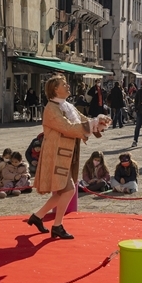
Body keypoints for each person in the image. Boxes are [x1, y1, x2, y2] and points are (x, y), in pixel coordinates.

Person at [28, 75, 110, 240]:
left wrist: (100, 122)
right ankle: (57, 226)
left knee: (61, 191)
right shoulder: (51, 108)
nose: (67, 86)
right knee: (69, 190)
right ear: (54, 89)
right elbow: (67, 127)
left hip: (66, 154)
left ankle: (37, 216)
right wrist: (93, 123)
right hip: (56, 154)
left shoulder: (68, 106)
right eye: (63, 84)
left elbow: (84, 120)